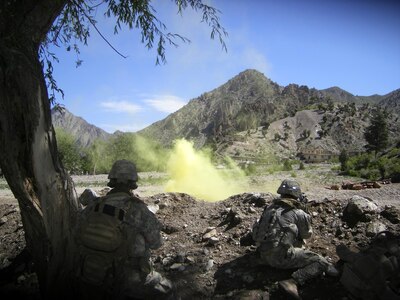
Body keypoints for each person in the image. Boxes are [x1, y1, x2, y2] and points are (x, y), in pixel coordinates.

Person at [74, 159, 174, 300]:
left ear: (112, 180)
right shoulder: (138, 209)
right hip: (125, 278)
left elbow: (76, 234)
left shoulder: (93, 206)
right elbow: (156, 243)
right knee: (167, 289)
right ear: (132, 183)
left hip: (91, 273)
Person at [252, 179, 338, 299]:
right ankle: (293, 281)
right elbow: (307, 235)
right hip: (279, 258)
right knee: (320, 262)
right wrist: (304, 216)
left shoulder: (270, 208)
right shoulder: (298, 212)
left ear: (281, 193)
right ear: (296, 195)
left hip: (261, 253)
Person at [336, 231, 400, 300]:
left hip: (356, 277)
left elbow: (341, 250)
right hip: (370, 285)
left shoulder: (357, 258)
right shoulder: (378, 280)